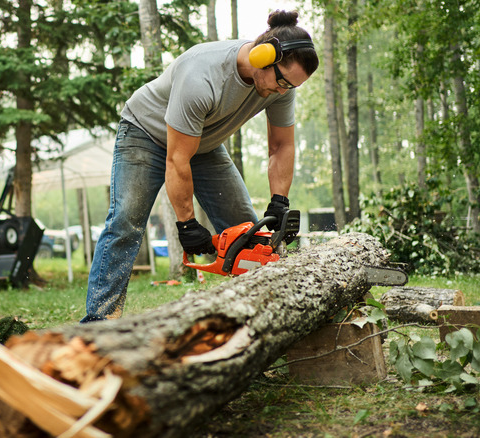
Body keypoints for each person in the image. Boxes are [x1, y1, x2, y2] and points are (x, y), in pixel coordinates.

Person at [81, 10, 319, 322]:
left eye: (292, 86)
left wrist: (279, 200)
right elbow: (177, 159)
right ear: (264, 56)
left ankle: (264, 321)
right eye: (283, 81)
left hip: (203, 143)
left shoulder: (281, 87)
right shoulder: (203, 75)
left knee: (246, 228)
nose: (284, 91)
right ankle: (99, 324)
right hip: (145, 134)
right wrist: (187, 224)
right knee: (127, 219)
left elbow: (281, 145)